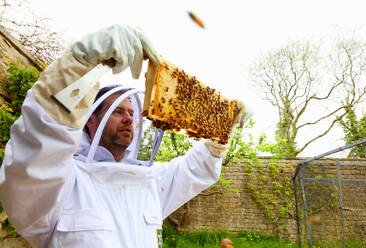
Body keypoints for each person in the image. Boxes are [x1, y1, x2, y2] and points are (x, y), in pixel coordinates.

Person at [0, 24, 252, 248]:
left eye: (132, 112)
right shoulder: (64, 180)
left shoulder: (149, 180)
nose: (129, 118)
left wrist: (220, 134)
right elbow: (38, 146)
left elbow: (196, 170)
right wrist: (77, 67)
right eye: (117, 111)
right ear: (91, 120)